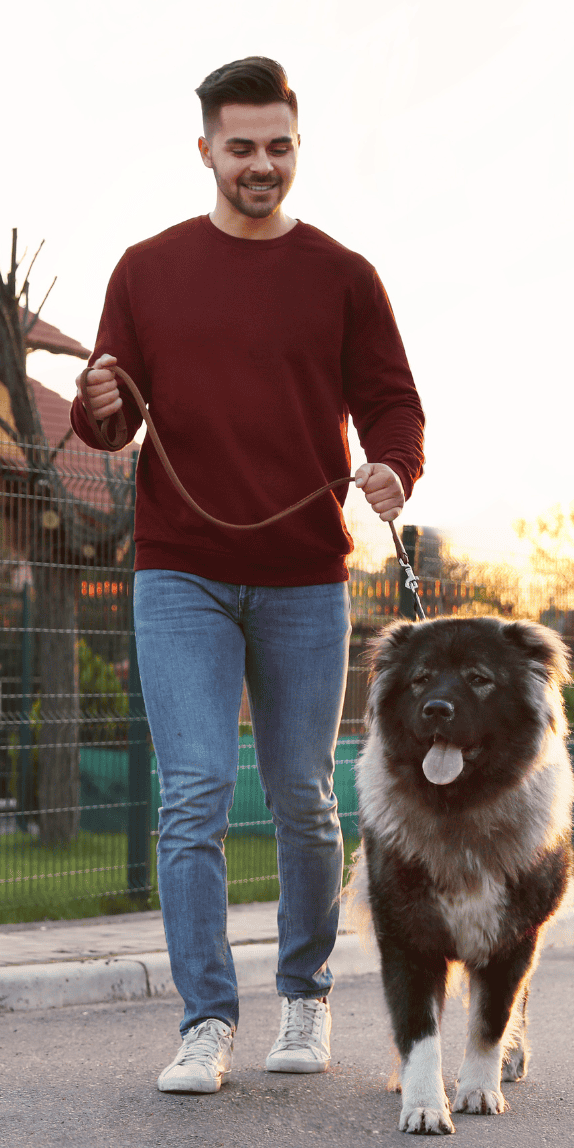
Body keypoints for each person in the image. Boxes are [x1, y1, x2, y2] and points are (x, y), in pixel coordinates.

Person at [70, 56, 425, 1094]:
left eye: (278, 146)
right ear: (207, 152)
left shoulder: (343, 276)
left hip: (306, 575)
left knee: (305, 798)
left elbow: (392, 399)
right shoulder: (146, 270)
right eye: (242, 148)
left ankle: (306, 998)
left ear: (296, 146)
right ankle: (205, 1021)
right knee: (192, 798)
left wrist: (393, 465)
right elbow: (114, 417)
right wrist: (96, 401)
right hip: (180, 569)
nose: (261, 165)